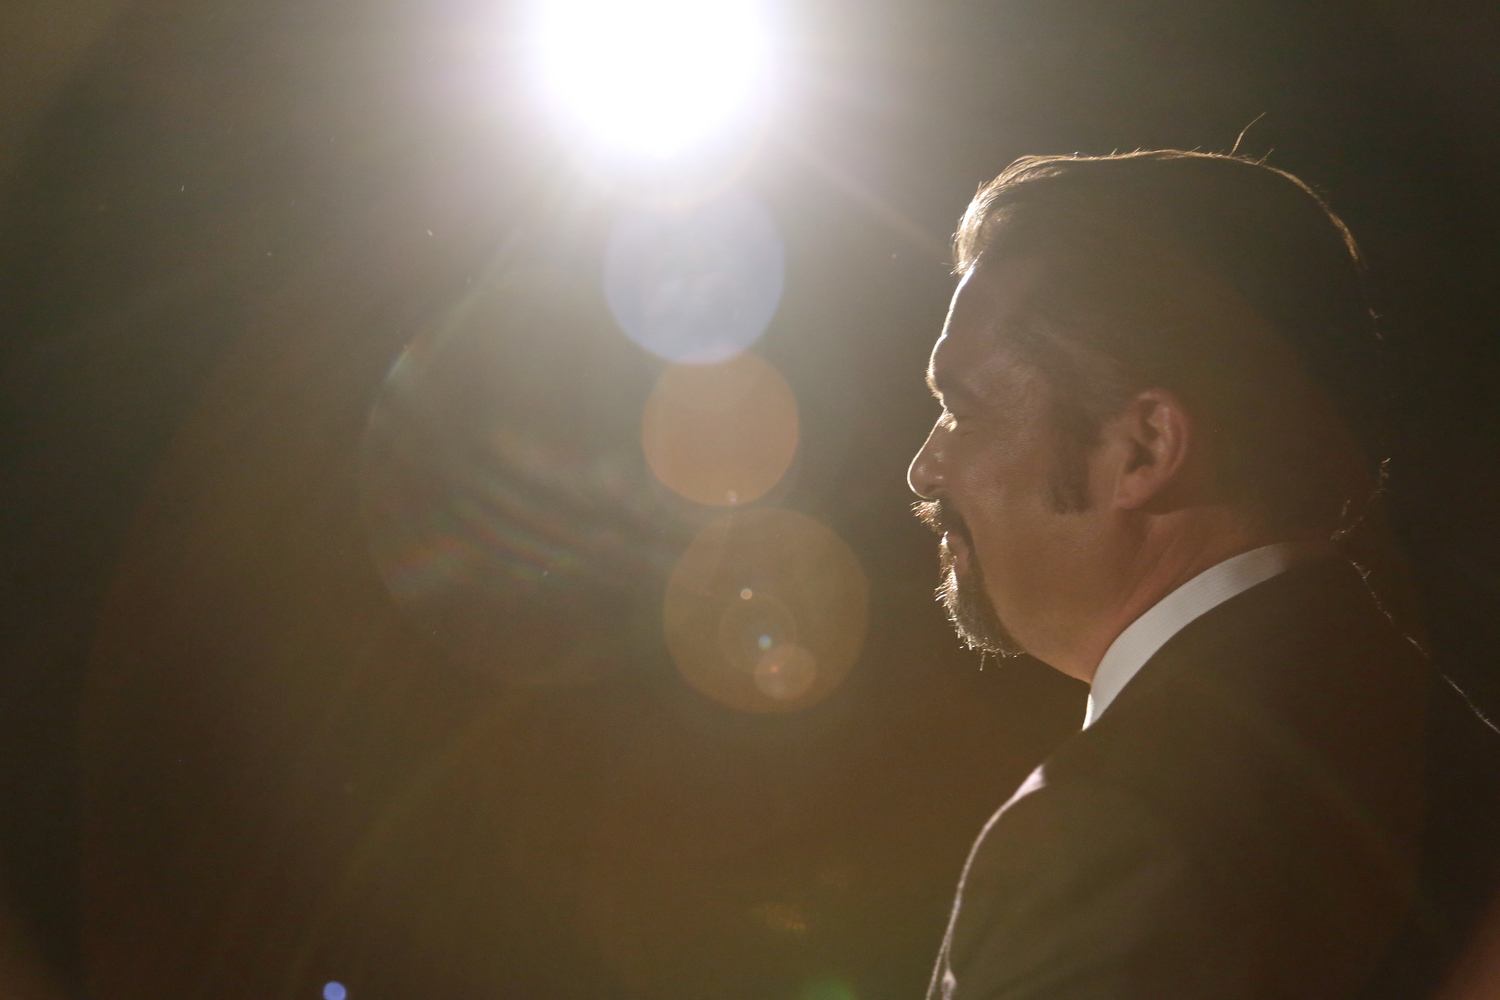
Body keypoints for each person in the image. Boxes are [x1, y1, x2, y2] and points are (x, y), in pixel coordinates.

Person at [907, 150, 1500, 1000]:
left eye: (960, 409)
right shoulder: (1450, 749)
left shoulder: (1117, 832)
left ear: (1145, 447)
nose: (925, 470)